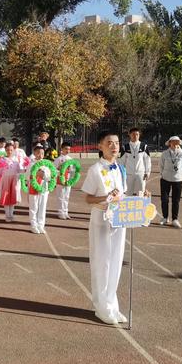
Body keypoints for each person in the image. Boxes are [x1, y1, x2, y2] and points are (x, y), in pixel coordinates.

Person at [81, 131, 127, 325]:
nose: (114, 146)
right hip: (101, 219)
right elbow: (88, 198)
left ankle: (112, 304)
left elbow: (122, 195)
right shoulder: (95, 170)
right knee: (102, 262)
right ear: (100, 146)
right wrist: (106, 198)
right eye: (109, 143)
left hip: (119, 220)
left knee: (116, 262)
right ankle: (101, 307)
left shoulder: (121, 169)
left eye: (116, 143)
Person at [159, 136, 182, 228]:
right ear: (170, 143)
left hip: (178, 180)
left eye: (177, 142)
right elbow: (161, 165)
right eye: (174, 141)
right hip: (165, 179)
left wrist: (178, 174)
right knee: (164, 199)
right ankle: (164, 217)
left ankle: (175, 219)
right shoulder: (164, 154)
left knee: (176, 200)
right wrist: (163, 174)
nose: (176, 143)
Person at [119, 128, 151, 195]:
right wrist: (122, 174)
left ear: (139, 135)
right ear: (129, 135)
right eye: (133, 134)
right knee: (128, 192)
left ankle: (141, 205)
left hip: (141, 174)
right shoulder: (125, 147)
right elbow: (121, 162)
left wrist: (147, 172)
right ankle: (128, 205)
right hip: (128, 174)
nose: (135, 136)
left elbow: (147, 160)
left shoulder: (144, 146)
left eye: (137, 134)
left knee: (141, 193)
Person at [26, 144, 51, 234]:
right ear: (34, 153)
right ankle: (33, 225)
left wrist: (44, 174)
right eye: (38, 153)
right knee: (34, 207)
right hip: (34, 188)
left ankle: (41, 225)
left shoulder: (46, 164)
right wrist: (36, 174)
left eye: (42, 153)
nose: (40, 155)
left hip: (44, 188)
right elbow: (27, 177)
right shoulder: (31, 164)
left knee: (42, 207)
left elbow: (49, 177)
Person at [0, 141, 22, 222]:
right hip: (5, 180)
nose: (9, 151)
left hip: (14, 180)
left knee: (12, 198)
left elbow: (19, 170)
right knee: (6, 197)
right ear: (5, 150)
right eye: (8, 150)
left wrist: (25, 170)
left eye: (11, 150)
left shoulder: (16, 159)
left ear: (13, 150)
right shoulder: (2, 159)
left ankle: (11, 214)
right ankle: (7, 215)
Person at [54, 142, 73, 220]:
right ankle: (60, 213)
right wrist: (59, 169)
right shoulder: (58, 159)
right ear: (62, 149)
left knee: (66, 197)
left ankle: (65, 212)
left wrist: (71, 176)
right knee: (61, 196)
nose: (67, 150)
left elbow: (72, 170)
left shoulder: (70, 159)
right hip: (60, 180)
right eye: (66, 149)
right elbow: (54, 169)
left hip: (68, 180)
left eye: (69, 149)